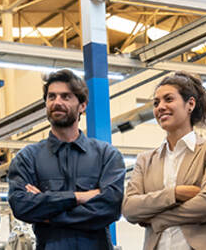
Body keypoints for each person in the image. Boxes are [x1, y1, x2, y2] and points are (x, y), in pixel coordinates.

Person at [7, 69, 126, 250]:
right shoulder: (28, 157)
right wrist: (78, 197)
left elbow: (110, 208)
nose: (57, 102)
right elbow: (21, 206)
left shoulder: (106, 156)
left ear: (82, 105)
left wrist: (48, 212)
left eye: (66, 97)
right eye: (52, 97)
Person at [124, 72, 206, 250]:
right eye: (156, 103)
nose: (160, 107)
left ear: (190, 104)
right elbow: (129, 209)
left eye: (168, 99)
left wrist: (157, 219)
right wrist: (175, 194)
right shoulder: (145, 160)